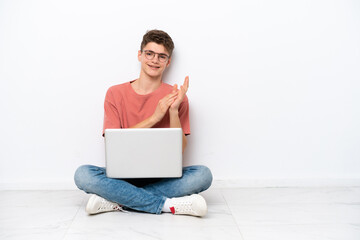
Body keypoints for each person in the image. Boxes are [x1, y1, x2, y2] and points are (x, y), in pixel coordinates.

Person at [74, 30, 213, 217]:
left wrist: (173, 111)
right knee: (83, 174)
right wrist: (155, 118)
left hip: (162, 176)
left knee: (203, 175)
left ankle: (116, 200)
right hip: (121, 176)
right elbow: (114, 143)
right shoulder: (115, 93)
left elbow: (179, 149)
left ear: (168, 62)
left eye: (161, 56)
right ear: (140, 55)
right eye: (149, 53)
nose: (155, 60)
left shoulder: (177, 98)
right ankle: (167, 205)